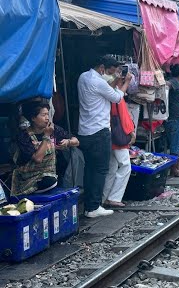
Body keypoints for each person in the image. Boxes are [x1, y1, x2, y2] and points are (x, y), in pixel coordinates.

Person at [77, 55, 132, 218]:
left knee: (90, 170)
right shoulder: (98, 82)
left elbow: (108, 90)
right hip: (99, 131)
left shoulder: (83, 77)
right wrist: (126, 82)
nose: (113, 75)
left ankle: (89, 205)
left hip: (84, 131)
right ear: (102, 68)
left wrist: (114, 80)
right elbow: (116, 97)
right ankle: (93, 207)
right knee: (101, 170)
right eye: (111, 72)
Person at [12, 102, 79, 195]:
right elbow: (37, 158)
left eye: (48, 114)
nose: (47, 118)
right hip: (29, 179)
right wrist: (46, 136)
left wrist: (68, 142)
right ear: (33, 118)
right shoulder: (24, 136)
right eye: (43, 115)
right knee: (49, 181)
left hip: (50, 174)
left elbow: (76, 141)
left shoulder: (54, 129)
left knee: (53, 180)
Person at [102, 74, 136, 208]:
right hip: (119, 136)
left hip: (111, 135)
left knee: (112, 167)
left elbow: (120, 93)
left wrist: (125, 82)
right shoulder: (114, 95)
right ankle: (114, 197)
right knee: (125, 166)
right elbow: (122, 116)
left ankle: (104, 197)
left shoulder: (110, 94)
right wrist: (130, 132)